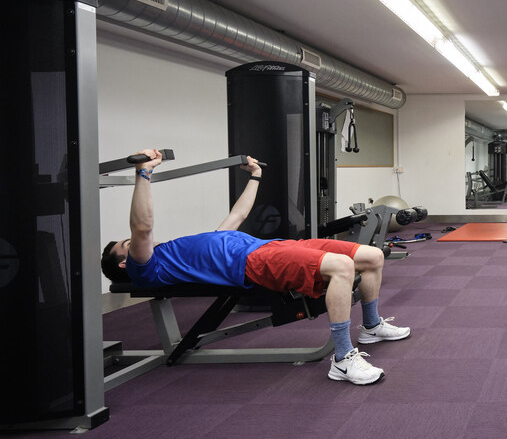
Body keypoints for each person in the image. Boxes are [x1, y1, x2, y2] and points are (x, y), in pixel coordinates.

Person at [100, 149, 408, 385]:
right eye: (126, 245)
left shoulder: (182, 248)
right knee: (341, 266)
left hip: (269, 247)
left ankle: (371, 327)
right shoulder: (147, 267)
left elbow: (237, 216)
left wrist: (256, 175)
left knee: (372, 256)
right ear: (127, 262)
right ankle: (342, 358)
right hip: (253, 263)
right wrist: (144, 174)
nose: (134, 242)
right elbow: (142, 226)